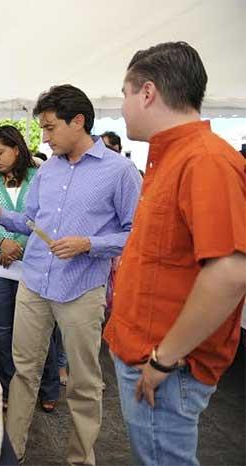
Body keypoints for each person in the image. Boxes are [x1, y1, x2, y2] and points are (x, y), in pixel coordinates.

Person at [0, 85, 142, 465]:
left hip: (80, 289)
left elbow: (135, 235)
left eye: (49, 128)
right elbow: (30, 222)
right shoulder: (48, 170)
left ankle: (81, 459)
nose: (43, 138)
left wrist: (88, 245)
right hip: (35, 281)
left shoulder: (120, 171)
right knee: (23, 373)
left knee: (84, 382)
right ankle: (12, 453)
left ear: (77, 122)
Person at [103, 41, 246, 466]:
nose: (123, 107)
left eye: (124, 94)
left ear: (147, 92)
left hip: (167, 364)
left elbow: (230, 272)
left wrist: (162, 361)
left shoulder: (205, 160)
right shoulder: (174, 157)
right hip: (147, 351)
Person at [0, 125, 60, 410]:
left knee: (38, 329)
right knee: (3, 330)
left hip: (32, 265)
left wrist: (18, 245)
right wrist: (2, 245)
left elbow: (43, 219)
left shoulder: (39, 177)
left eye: (0, 152)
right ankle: (9, 388)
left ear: (17, 149)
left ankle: (48, 388)